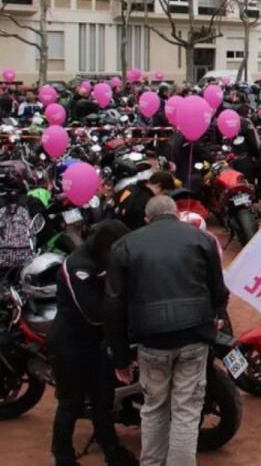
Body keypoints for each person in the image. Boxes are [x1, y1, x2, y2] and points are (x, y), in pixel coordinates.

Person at [104, 196, 229, 466]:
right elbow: (218, 291)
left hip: (151, 341)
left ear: (147, 219)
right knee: (186, 411)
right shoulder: (202, 239)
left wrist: (120, 356)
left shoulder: (124, 246)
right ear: (176, 214)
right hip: (194, 336)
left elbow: (113, 305)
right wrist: (214, 317)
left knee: (154, 408)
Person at [48, 220, 138, 466]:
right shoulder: (77, 266)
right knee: (70, 403)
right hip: (70, 345)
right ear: (107, 246)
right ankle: (63, 456)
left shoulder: (105, 260)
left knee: (103, 401)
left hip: (97, 344)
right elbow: (95, 313)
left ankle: (112, 450)